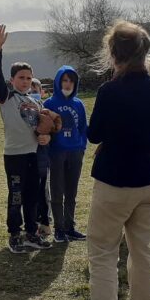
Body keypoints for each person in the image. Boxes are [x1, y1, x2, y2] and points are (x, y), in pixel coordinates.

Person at [73, 21, 150, 300]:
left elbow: (95, 135)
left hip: (116, 182)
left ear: (114, 54)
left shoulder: (109, 92)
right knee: (143, 252)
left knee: (102, 251)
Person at [0, 25, 52, 253]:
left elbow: (41, 128)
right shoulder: (6, 97)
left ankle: (31, 234)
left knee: (33, 196)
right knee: (16, 196)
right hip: (14, 155)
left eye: (29, 77)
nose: (25, 81)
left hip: (33, 153)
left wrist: (46, 136)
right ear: (12, 79)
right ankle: (15, 235)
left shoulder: (36, 102)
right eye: (21, 77)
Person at [44, 66, 88, 242]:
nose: (68, 84)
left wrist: (82, 147)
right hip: (56, 153)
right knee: (57, 191)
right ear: (58, 81)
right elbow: (43, 129)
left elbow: (83, 127)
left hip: (75, 152)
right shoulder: (48, 104)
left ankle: (70, 227)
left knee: (71, 192)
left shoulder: (78, 104)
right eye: (64, 80)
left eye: (71, 80)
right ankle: (59, 229)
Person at [30, 78, 53, 241]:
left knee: (42, 192)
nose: (33, 94)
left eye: (35, 91)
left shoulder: (46, 111)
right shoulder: (22, 110)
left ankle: (44, 222)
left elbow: (53, 129)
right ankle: (31, 223)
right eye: (30, 91)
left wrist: (49, 137)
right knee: (29, 192)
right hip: (26, 157)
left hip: (42, 157)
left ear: (42, 92)